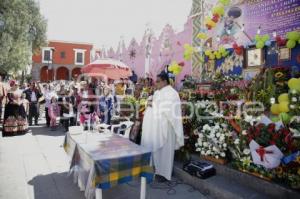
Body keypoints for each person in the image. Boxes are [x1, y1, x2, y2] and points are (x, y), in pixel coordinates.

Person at [141, 71, 184, 182]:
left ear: (165, 81)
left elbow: (169, 108)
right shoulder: (158, 92)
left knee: (165, 151)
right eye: (156, 81)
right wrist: (150, 102)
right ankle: (157, 170)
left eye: (158, 81)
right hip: (155, 127)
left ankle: (164, 174)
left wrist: (153, 104)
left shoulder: (172, 93)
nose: (156, 84)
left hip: (167, 127)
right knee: (157, 151)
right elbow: (155, 104)